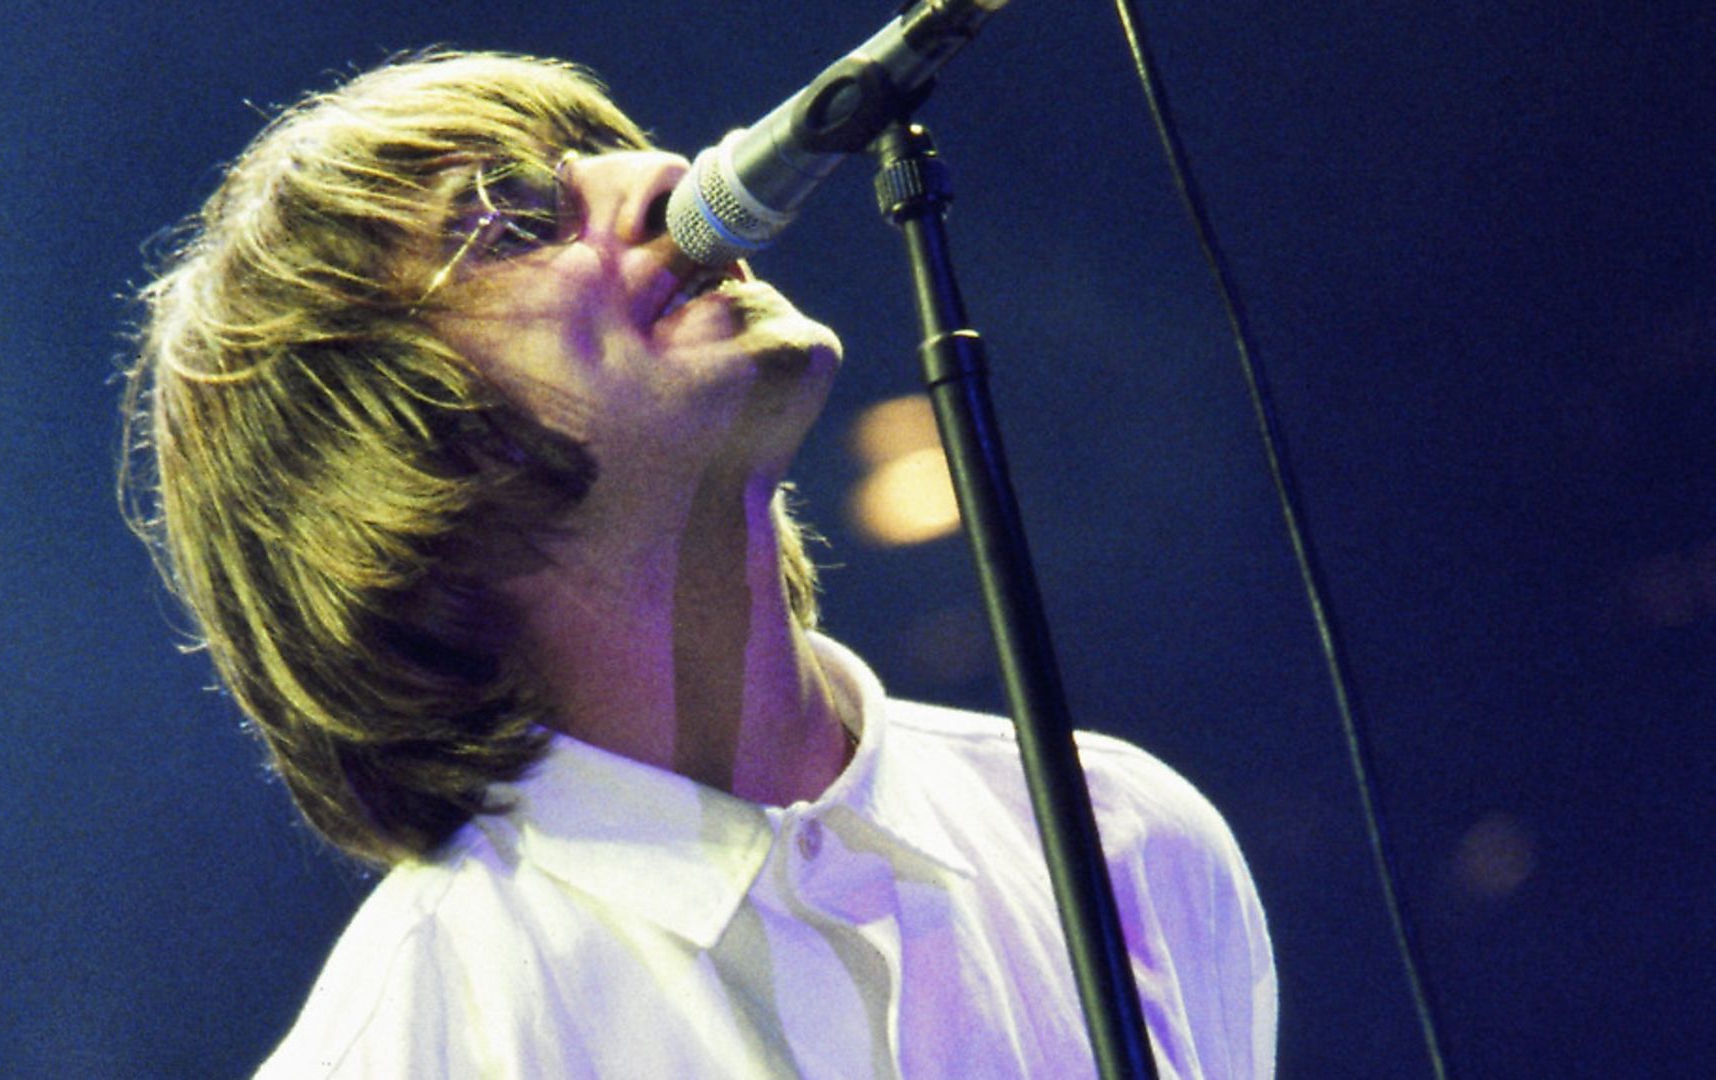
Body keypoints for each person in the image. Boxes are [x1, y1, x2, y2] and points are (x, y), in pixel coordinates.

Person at [121, 49, 1276, 1078]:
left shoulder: (1127, 833)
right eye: (519, 219)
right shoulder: (413, 1044)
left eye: (608, 153)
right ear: (384, 474)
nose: (667, 177)